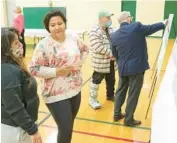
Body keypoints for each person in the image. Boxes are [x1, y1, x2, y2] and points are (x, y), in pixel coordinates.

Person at [29, 10, 88, 143]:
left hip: (75, 89)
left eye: (60, 23)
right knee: (65, 128)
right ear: (48, 28)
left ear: (65, 24)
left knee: (69, 126)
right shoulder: (43, 45)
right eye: (53, 25)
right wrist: (56, 71)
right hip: (55, 94)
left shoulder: (73, 38)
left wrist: (79, 64)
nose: (57, 27)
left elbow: (85, 50)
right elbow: (34, 69)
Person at [111, 11, 167, 126]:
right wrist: (163, 23)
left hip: (122, 68)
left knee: (120, 91)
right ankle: (128, 119)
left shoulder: (114, 35)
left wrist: (121, 63)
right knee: (133, 93)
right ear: (128, 18)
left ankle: (116, 114)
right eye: (130, 17)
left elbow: (115, 54)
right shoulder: (136, 27)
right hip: (136, 69)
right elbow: (151, 28)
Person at [1, 27, 42, 143]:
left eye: (19, 40)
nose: (21, 44)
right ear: (5, 48)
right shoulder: (7, 70)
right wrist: (32, 130)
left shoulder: (12, 64)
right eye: (15, 43)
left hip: (21, 126)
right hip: (16, 129)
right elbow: (14, 106)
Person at [89, 9, 116, 109]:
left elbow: (116, 40)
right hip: (100, 62)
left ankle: (110, 95)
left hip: (111, 61)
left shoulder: (111, 29)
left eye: (110, 17)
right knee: (96, 81)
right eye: (108, 18)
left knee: (111, 80)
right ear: (101, 19)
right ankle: (92, 99)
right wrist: (111, 54)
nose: (110, 19)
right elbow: (97, 46)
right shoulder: (94, 30)